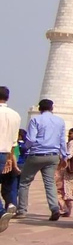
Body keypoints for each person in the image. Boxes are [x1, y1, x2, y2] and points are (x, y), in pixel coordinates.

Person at [16, 99, 68, 221]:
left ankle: (21, 210)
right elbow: (61, 140)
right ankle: (54, 208)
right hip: (53, 155)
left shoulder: (35, 119)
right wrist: (64, 156)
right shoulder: (60, 121)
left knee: (24, 183)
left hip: (36, 154)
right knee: (50, 183)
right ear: (52, 108)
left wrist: (24, 148)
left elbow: (31, 139)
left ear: (39, 108)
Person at [0, 86, 21, 232]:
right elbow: (14, 141)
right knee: (8, 183)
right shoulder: (16, 115)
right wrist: (9, 158)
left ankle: (1, 212)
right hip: (6, 153)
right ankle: (10, 204)